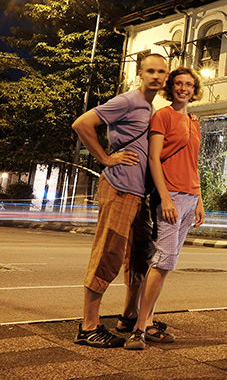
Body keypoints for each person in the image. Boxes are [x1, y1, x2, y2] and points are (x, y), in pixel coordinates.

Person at [72, 53, 168, 348]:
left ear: (166, 76)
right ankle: (88, 326)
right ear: (140, 73)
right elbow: (82, 124)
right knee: (108, 254)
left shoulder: (150, 107)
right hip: (119, 188)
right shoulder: (128, 100)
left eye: (161, 72)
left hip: (138, 194)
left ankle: (129, 316)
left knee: (141, 255)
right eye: (150, 71)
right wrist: (105, 158)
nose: (156, 76)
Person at [125, 67, 205, 350]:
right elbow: (154, 160)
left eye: (189, 84)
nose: (184, 88)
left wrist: (199, 201)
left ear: (195, 89)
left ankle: (146, 320)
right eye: (179, 84)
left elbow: (193, 164)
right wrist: (165, 198)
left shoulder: (194, 121)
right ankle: (139, 327)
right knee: (161, 262)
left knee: (165, 264)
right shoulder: (163, 116)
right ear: (171, 88)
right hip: (169, 195)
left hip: (189, 197)